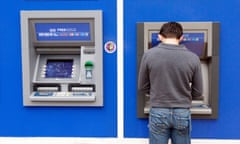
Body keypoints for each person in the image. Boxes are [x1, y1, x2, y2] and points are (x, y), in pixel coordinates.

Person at [138, 22, 203, 144]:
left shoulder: (149, 55)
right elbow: (198, 91)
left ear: (159, 36)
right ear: (181, 37)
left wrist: (157, 92)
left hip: (158, 110)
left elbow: (142, 87)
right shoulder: (193, 57)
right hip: (182, 111)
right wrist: (183, 95)